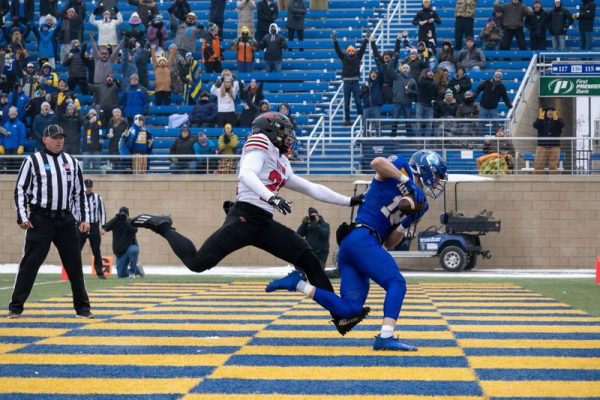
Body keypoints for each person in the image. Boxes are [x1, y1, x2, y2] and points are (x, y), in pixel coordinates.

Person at [130, 112, 365, 334]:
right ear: (270, 131)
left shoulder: (280, 159)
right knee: (198, 263)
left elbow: (310, 187)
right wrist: (271, 196)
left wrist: (349, 201)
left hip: (262, 222)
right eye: (284, 131)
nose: (289, 137)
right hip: (243, 218)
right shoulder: (259, 142)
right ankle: (162, 225)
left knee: (308, 258)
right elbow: (247, 174)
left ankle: (340, 316)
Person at [266, 150, 447, 348]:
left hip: (360, 244)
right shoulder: (402, 167)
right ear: (427, 169)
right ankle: (385, 337)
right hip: (363, 237)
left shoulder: (422, 204)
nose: (437, 181)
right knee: (397, 283)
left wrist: (404, 224)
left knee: (350, 310)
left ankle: (298, 284)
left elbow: (390, 243)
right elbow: (377, 161)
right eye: (437, 175)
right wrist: (409, 182)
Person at [9, 124, 93, 319]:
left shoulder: (72, 162)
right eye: (55, 137)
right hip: (41, 220)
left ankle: (83, 308)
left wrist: (84, 218)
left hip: (65, 220)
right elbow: (20, 189)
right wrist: (22, 216)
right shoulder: (32, 161)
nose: (59, 141)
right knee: (30, 264)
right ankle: (16, 307)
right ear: (45, 139)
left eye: (61, 137)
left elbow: (79, 193)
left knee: (74, 265)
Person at [333, 31, 368, 125]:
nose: (351, 52)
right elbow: (337, 50)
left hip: (355, 82)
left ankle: (361, 117)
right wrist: (335, 41)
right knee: (346, 102)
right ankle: (347, 119)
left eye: (353, 50)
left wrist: (366, 39)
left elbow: (363, 48)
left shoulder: (358, 57)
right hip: (346, 83)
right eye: (349, 51)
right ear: (347, 52)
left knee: (357, 101)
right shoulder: (343, 57)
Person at [104, 206, 143, 278]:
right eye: (121, 215)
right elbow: (106, 227)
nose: (123, 216)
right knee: (121, 274)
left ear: (128, 215)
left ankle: (132, 273)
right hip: (120, 254)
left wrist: (125, 221)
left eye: (125, 215)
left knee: (134, 250)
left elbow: (134, 230)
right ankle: (137, 270)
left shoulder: (131, 222)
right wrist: (116, 218)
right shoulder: (115, 222)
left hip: (130, 248)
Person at [79, 179, 107, 279]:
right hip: (82, 225)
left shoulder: (98, 197)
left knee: (96, 250)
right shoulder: (79, 197)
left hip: (94, 225)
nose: (88, 189)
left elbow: (102, 212)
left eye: (90, 187)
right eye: (86, 187)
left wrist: (103, 227)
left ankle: (100, 272)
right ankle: (75, 272)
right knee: (77, 249)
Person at [533, 106, 563, 174]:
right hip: (542, 146)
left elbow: (561, 125)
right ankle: (537, 182)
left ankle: (553, 182)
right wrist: (540, 119)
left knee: (553, 166)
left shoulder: (558, 120)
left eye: (552, 111)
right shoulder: (541, 120)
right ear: (545, 112)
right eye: (548, 111)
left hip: (554, 147)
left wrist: (556, 119)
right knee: (539, 165)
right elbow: (535, 125)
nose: (550, 112)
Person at [0, 106, 25, 172]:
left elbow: (22, 136)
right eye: (11, 114)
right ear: (9, 114)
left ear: (16, 114)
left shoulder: (20, 124)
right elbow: (2, 136)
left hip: (16, 148)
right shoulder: (6, 124)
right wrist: (1, 145)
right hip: (7, 147)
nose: (12, 115)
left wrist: (21, 145)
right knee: (8, 166)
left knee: (16, 166)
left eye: (13, 114)